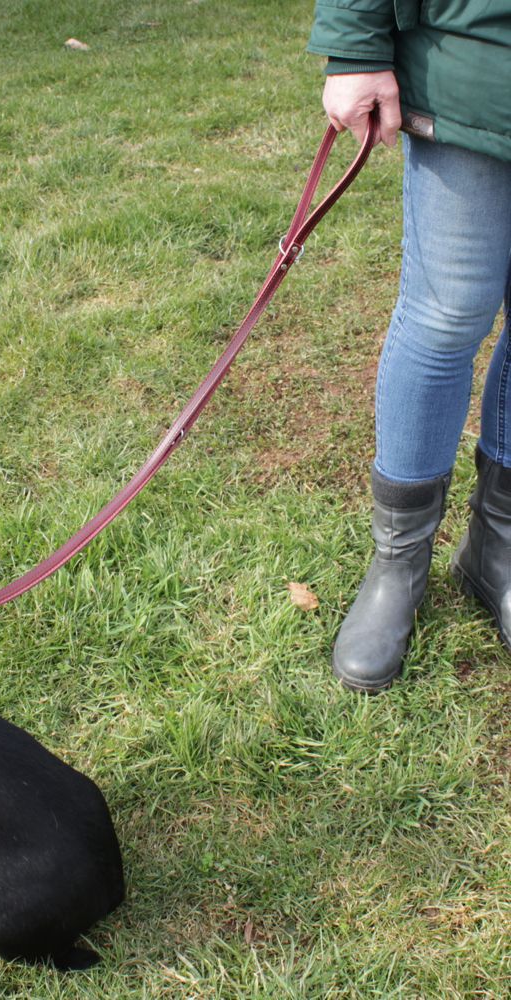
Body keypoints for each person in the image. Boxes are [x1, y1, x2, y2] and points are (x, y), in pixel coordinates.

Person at [306, 2, 511, 691]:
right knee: (445, 314)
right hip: (470, 59)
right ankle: (399, 560)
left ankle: (496, 548)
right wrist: (356, 45)